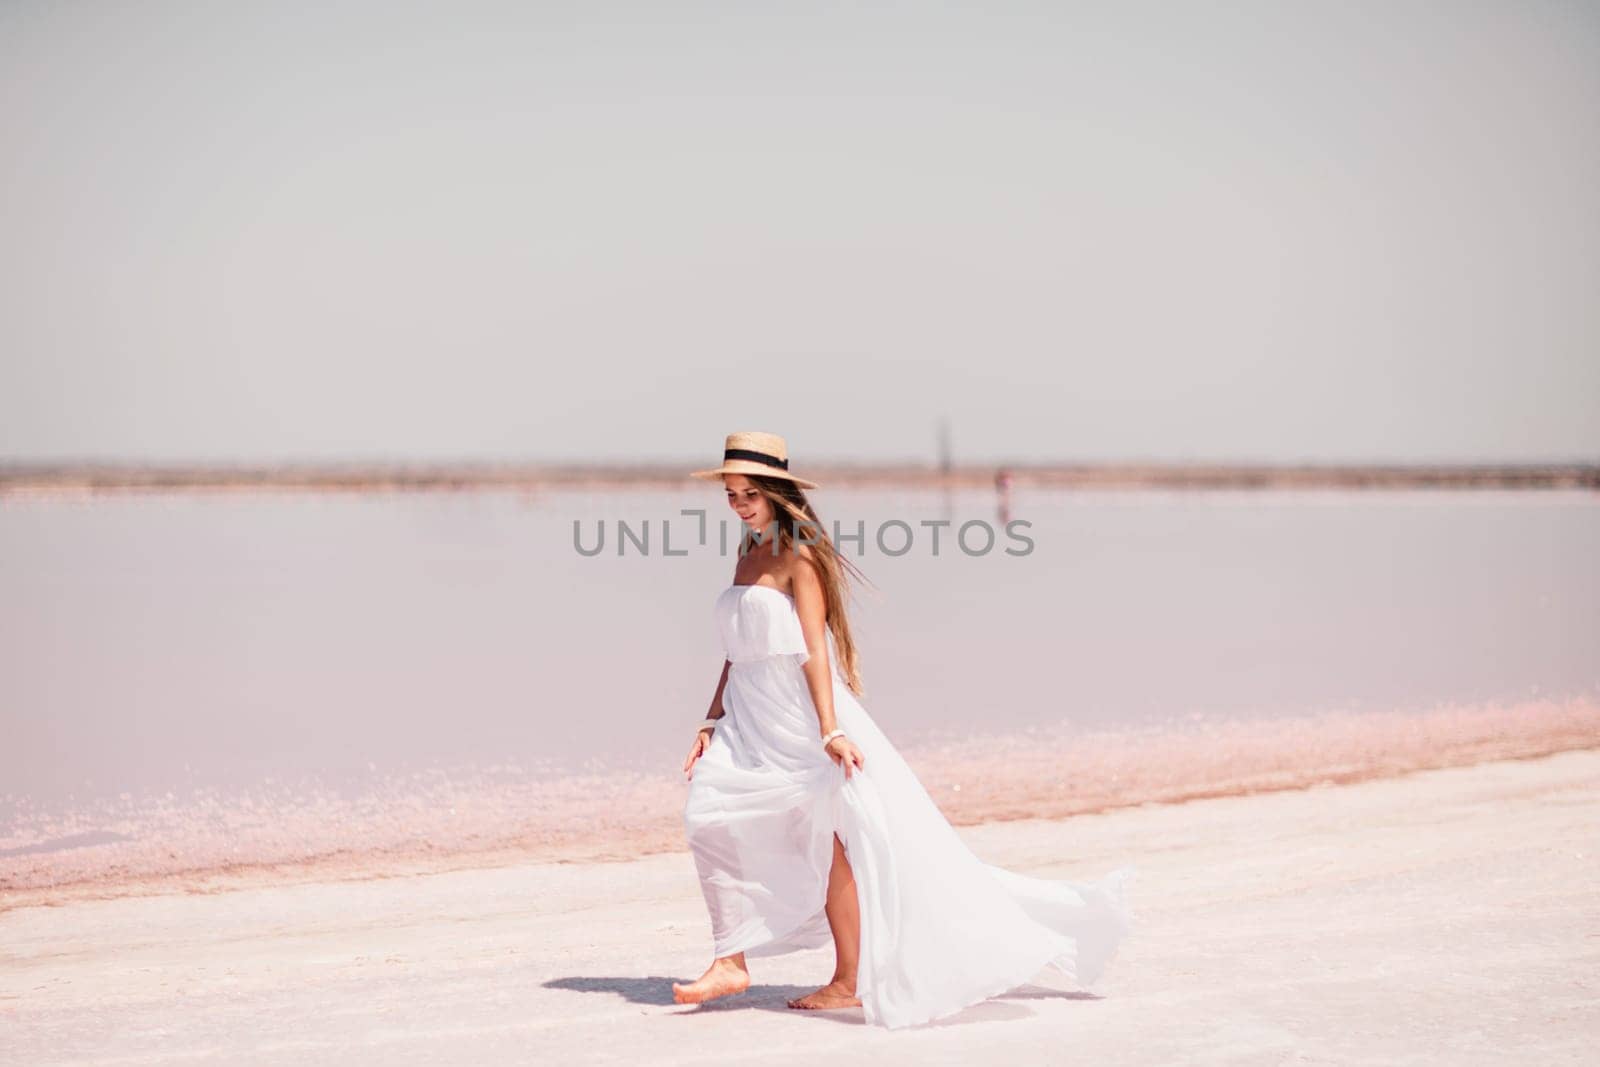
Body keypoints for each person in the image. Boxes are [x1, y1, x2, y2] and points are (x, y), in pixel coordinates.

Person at [673, 431, 1135, 1030]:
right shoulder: (745, 552)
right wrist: (712, 717)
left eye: (750, 494)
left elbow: (814, 650)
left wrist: (830, 730)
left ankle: (843, 978)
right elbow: (736, 650)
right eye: (732, 494)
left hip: (795, 714)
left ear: (779, 493)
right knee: (710, 811)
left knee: (831, 839)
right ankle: (730, 959)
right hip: (747, 713)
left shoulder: (798, 554)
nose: (738, 504)